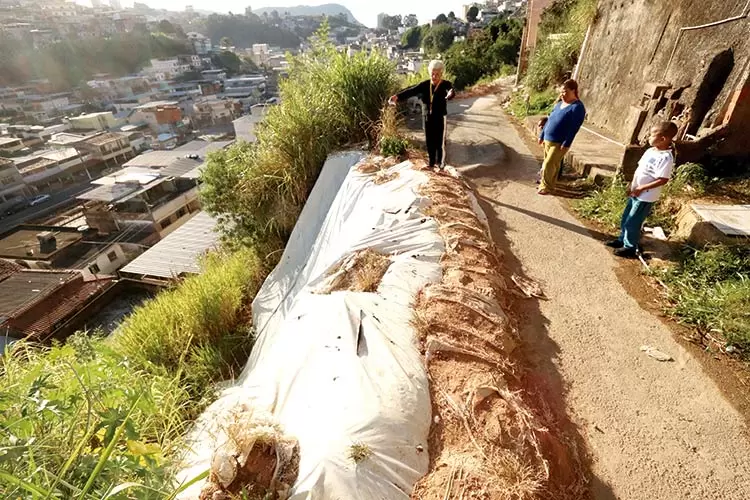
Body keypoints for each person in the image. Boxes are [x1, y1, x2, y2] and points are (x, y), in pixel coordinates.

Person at [606, 120, 679, 258]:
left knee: (633, 221)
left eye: (652, 135)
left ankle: (630, 247)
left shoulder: (665, 158)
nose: (649, 137)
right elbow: (640, 170)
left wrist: (643, 188)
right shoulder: (650, 151)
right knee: (626, 217)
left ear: (662, 139)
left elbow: (663, 179)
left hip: (646, 196)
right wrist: (632, 185)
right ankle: (622, 240)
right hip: (636, 191)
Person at [389, 60, 455, 170]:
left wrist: (449, 94)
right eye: (432, 73)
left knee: (439, 141)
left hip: (440, 117)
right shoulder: (425, 85)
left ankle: (441, 164)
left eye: (437, 74)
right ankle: (431, 163)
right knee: (429, 141)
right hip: (427, 117)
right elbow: (411, 90)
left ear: (441, 73)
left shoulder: (446, 85)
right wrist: (397, 97)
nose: (434, 76)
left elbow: (451, 91)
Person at [537, 79, 586, 195]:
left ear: (573, 90)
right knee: (553, 164)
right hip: (548, 139)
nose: (562, 94)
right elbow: (550, 120)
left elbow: (574, 128)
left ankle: (546, 186)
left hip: (559, 142)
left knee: (549, 163)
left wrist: (567, 143)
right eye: (561, 91)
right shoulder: (558, 104)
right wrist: (542, 134)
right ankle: (551, 184)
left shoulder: (577, 107)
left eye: (565, 91)